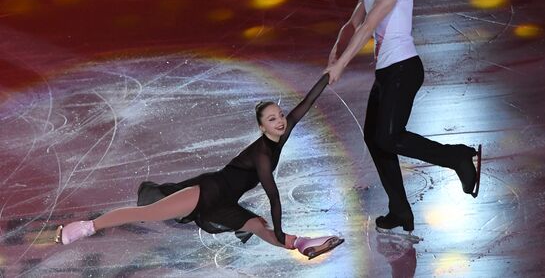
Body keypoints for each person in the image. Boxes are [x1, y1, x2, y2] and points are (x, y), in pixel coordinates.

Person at [55, 73, 344, 258]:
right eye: (272, 119)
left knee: (256, 225)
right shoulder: (261, 154)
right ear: (260, 126)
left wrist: (329, 74)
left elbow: (306, 102)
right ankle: (86, 226)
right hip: (208, 190)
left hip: (227, 201)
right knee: (149, 212)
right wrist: (279, 229)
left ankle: (303, 243)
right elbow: (273, 196)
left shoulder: (281, 133)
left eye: (280, 115)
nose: (280, 120)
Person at [324, 0, 481, 237]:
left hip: (404, 70)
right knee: (374, 138)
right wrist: (334, 52)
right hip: (385, 74)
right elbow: (354, 23)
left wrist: (341, 65)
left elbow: (370, 25)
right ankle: (399, 209)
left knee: (390, 137)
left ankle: (457, 156)